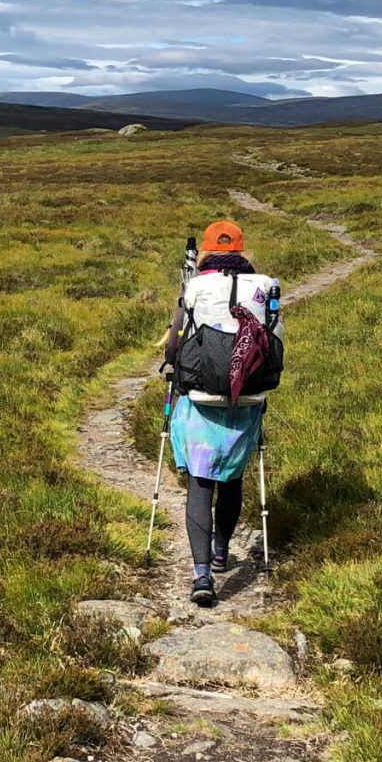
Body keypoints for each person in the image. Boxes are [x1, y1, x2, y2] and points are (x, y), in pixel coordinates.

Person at [164, 220, 273, 607]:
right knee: (231, 478)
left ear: (207, 252)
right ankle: (222, 552)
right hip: (246, 399)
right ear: (241, 251)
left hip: (201, 397)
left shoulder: (195, 287)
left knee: (200, 482)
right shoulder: (264, 288)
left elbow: (175, 346)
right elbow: (276, 339)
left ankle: (201, 576)